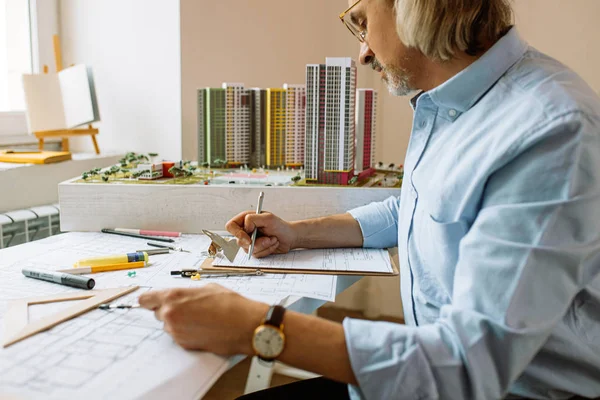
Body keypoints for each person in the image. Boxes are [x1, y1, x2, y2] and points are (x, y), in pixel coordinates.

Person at [139, 0, 600, 398]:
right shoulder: (453, 105)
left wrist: (257, 326)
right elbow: (412, 207)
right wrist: (297, 234)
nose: (362, 52)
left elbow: (466, 368)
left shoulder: (549, 130)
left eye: (362, 20)